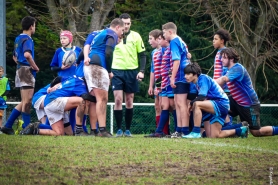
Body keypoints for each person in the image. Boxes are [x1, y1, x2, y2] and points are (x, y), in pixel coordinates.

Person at [216, 47, 278, 137]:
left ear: (232, 59)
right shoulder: (228, 70)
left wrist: (209, 83)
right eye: (221, 57)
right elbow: (221, 84)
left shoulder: (237, 68)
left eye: (224, 57)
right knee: (219, 105)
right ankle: (232, 131)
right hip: (236, 101)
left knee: (256, 132)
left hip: (249, 104)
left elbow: (223, 79)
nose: (221, 60)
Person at [182, 63, 248, 138]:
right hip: (219, 105)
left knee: (197, 104)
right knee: (213, 136)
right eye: (185, 74)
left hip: (221, 103)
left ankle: (196, 132)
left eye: (188, 74)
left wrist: (191, 103)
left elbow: (202, 97)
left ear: (195, 74)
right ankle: (241, 130)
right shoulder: (196, 83)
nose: (185, 76)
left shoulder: (203, 78)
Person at [83, 18, 124, 137]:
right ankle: (102, 130)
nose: (122, 33)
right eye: (122, 30)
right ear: (117, 27)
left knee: (94, 100)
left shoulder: (100, 34)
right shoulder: (112, 34)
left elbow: (86, 48)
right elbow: (108, 53)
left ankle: (95, 130)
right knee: (102, 99)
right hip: (97, 67)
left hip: (90, 67)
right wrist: (109, 71)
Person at [1, 16, 39, 135]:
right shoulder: (27, 39)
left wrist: (20, 65)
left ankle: (7, 125)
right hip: (26, 71)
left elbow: (14, 57)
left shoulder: (18, 38)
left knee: (24, 101)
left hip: (20, 70)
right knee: (27, 101)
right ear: (31, 26)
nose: (35, 28)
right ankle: (26, 128)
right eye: (34, 26)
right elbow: (27, 55)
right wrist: (34, 66)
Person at [112, 13, 147, 137]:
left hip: (132, 71)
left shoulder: (136, 36)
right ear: (119, 24)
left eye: (128, 23)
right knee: (117, 99)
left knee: (129, 100)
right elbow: (107, 53)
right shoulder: (113, 36)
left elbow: (142, 55)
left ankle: (127, 129)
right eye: (124, 23)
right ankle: (119, 129)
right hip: (116, 71)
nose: (126, 26)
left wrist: (141, 71)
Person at [20, 76, 90, 136]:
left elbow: (58, 78)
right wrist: (99, 100)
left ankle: (33, 129)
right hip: (48, 99)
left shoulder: (70, 78)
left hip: (50, 101)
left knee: (62, 133)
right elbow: (85, 97)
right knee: (81, 101)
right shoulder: (80, 83)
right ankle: (79, 130)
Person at [162, 22, 190, 138]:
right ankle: (179, 130)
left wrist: (172, 78)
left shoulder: (174, 41)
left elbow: (177, 60)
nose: (163, 35)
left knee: (181, 103)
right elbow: (187, 54)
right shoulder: (180, 40)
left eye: (164, 32)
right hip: (182, 74)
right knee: (178, 104)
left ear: (170, 31)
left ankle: (185, 130)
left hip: (181, 76)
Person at [212, 29, 232, 126]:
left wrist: (221, 86)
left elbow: (225, 72)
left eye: (216, 39)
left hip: (222, 88)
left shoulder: (224, 53)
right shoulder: (219, 52)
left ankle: (232, 129)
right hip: (217, 86)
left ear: (222, 41)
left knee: (224, 110)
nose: (213, 41)